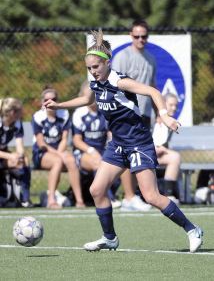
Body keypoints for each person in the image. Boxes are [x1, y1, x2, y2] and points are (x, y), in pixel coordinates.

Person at [44, 29, 203, 253]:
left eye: (96, 67)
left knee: (151, 196)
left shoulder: (120, 81)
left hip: (138, 142)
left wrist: (165, 115)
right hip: (118, 144)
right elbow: (85, 99)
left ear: (107, 63)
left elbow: (153, 92)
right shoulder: (95, 81)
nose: (92, 71)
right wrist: (59, 106)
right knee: (97, 190)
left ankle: (192, 229)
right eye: (89, 68)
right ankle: (109, 238)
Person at [72, 82, 151, 211]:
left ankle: (129, 197)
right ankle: (108, 198)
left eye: (94, 95)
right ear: (82, 96)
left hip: (103, 151)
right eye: (88, 95)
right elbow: (76, 140)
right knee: (97, 162)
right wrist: (91, 151)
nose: (92, 98)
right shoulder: (79, 113)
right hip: (84, 153)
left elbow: (111, 132)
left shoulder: (104, 109)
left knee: (125, 157)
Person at [32, 87, 85, 209]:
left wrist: (60, 152)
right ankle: (51, 200)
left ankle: (79, 200)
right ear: (42, 102)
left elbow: (64, 139)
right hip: (42, 153)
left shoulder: (64, 113)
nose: (50, 102)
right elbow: (41, 143)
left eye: (53, 99)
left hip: (59, 150)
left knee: (71, 160)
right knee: (58, 161)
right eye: (46, 100)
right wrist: (59, 154)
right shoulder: (38, 116)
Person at [112, 18, 156, 128]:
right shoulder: (122, 57)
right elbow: (113, 86)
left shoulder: (151, 59)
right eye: (137, 36)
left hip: (145, 113)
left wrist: (158, 112)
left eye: (144, 36)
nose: (140, 39)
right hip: (126, 113)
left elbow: (152, 88)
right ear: (131, 35)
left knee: (143, 145)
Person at [0, 97, 32, 207]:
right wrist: (9, 156)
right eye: (20, 111)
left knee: (24, 161)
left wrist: (20, 156)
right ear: (13, 112)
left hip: (3, 154)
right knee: (14, 159)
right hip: (3, 154)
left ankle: (25, 198)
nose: (22, 113)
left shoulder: (17, 123)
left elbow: (19, 146)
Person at [152, 93, 181, 203]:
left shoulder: (172, 123)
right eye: (171, 105)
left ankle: (168, 194)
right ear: (163, 104)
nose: (174, 108)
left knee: (175, 157)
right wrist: (153, 148)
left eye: (176, 105)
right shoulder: (151, 118)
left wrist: (162, 149)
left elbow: (163, 143)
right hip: (146, 152)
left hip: (160, 155)